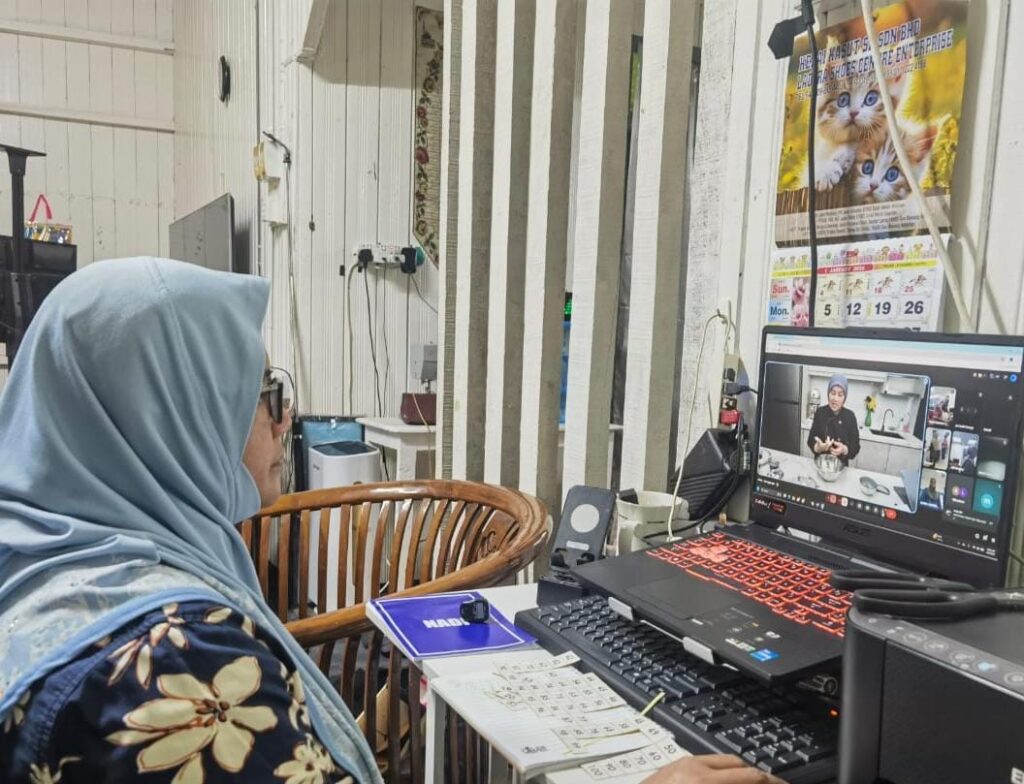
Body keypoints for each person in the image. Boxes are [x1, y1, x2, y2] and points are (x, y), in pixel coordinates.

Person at [0, 259, 780, 784]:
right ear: (169, 415)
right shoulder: (175, 666)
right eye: (260, 395)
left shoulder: (47, 573)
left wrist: (383, 707)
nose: (282, 422)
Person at [807, 374, 861, 465]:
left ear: (845, 398)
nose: (835, 399)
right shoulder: (820, 412)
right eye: (832, 393)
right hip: (820, 464)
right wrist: (818, 448)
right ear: (828, 393)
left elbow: (855, 446)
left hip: (840, 467)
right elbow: (810, 440)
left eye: (840, 395)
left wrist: (844, 449)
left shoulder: (850, 416)